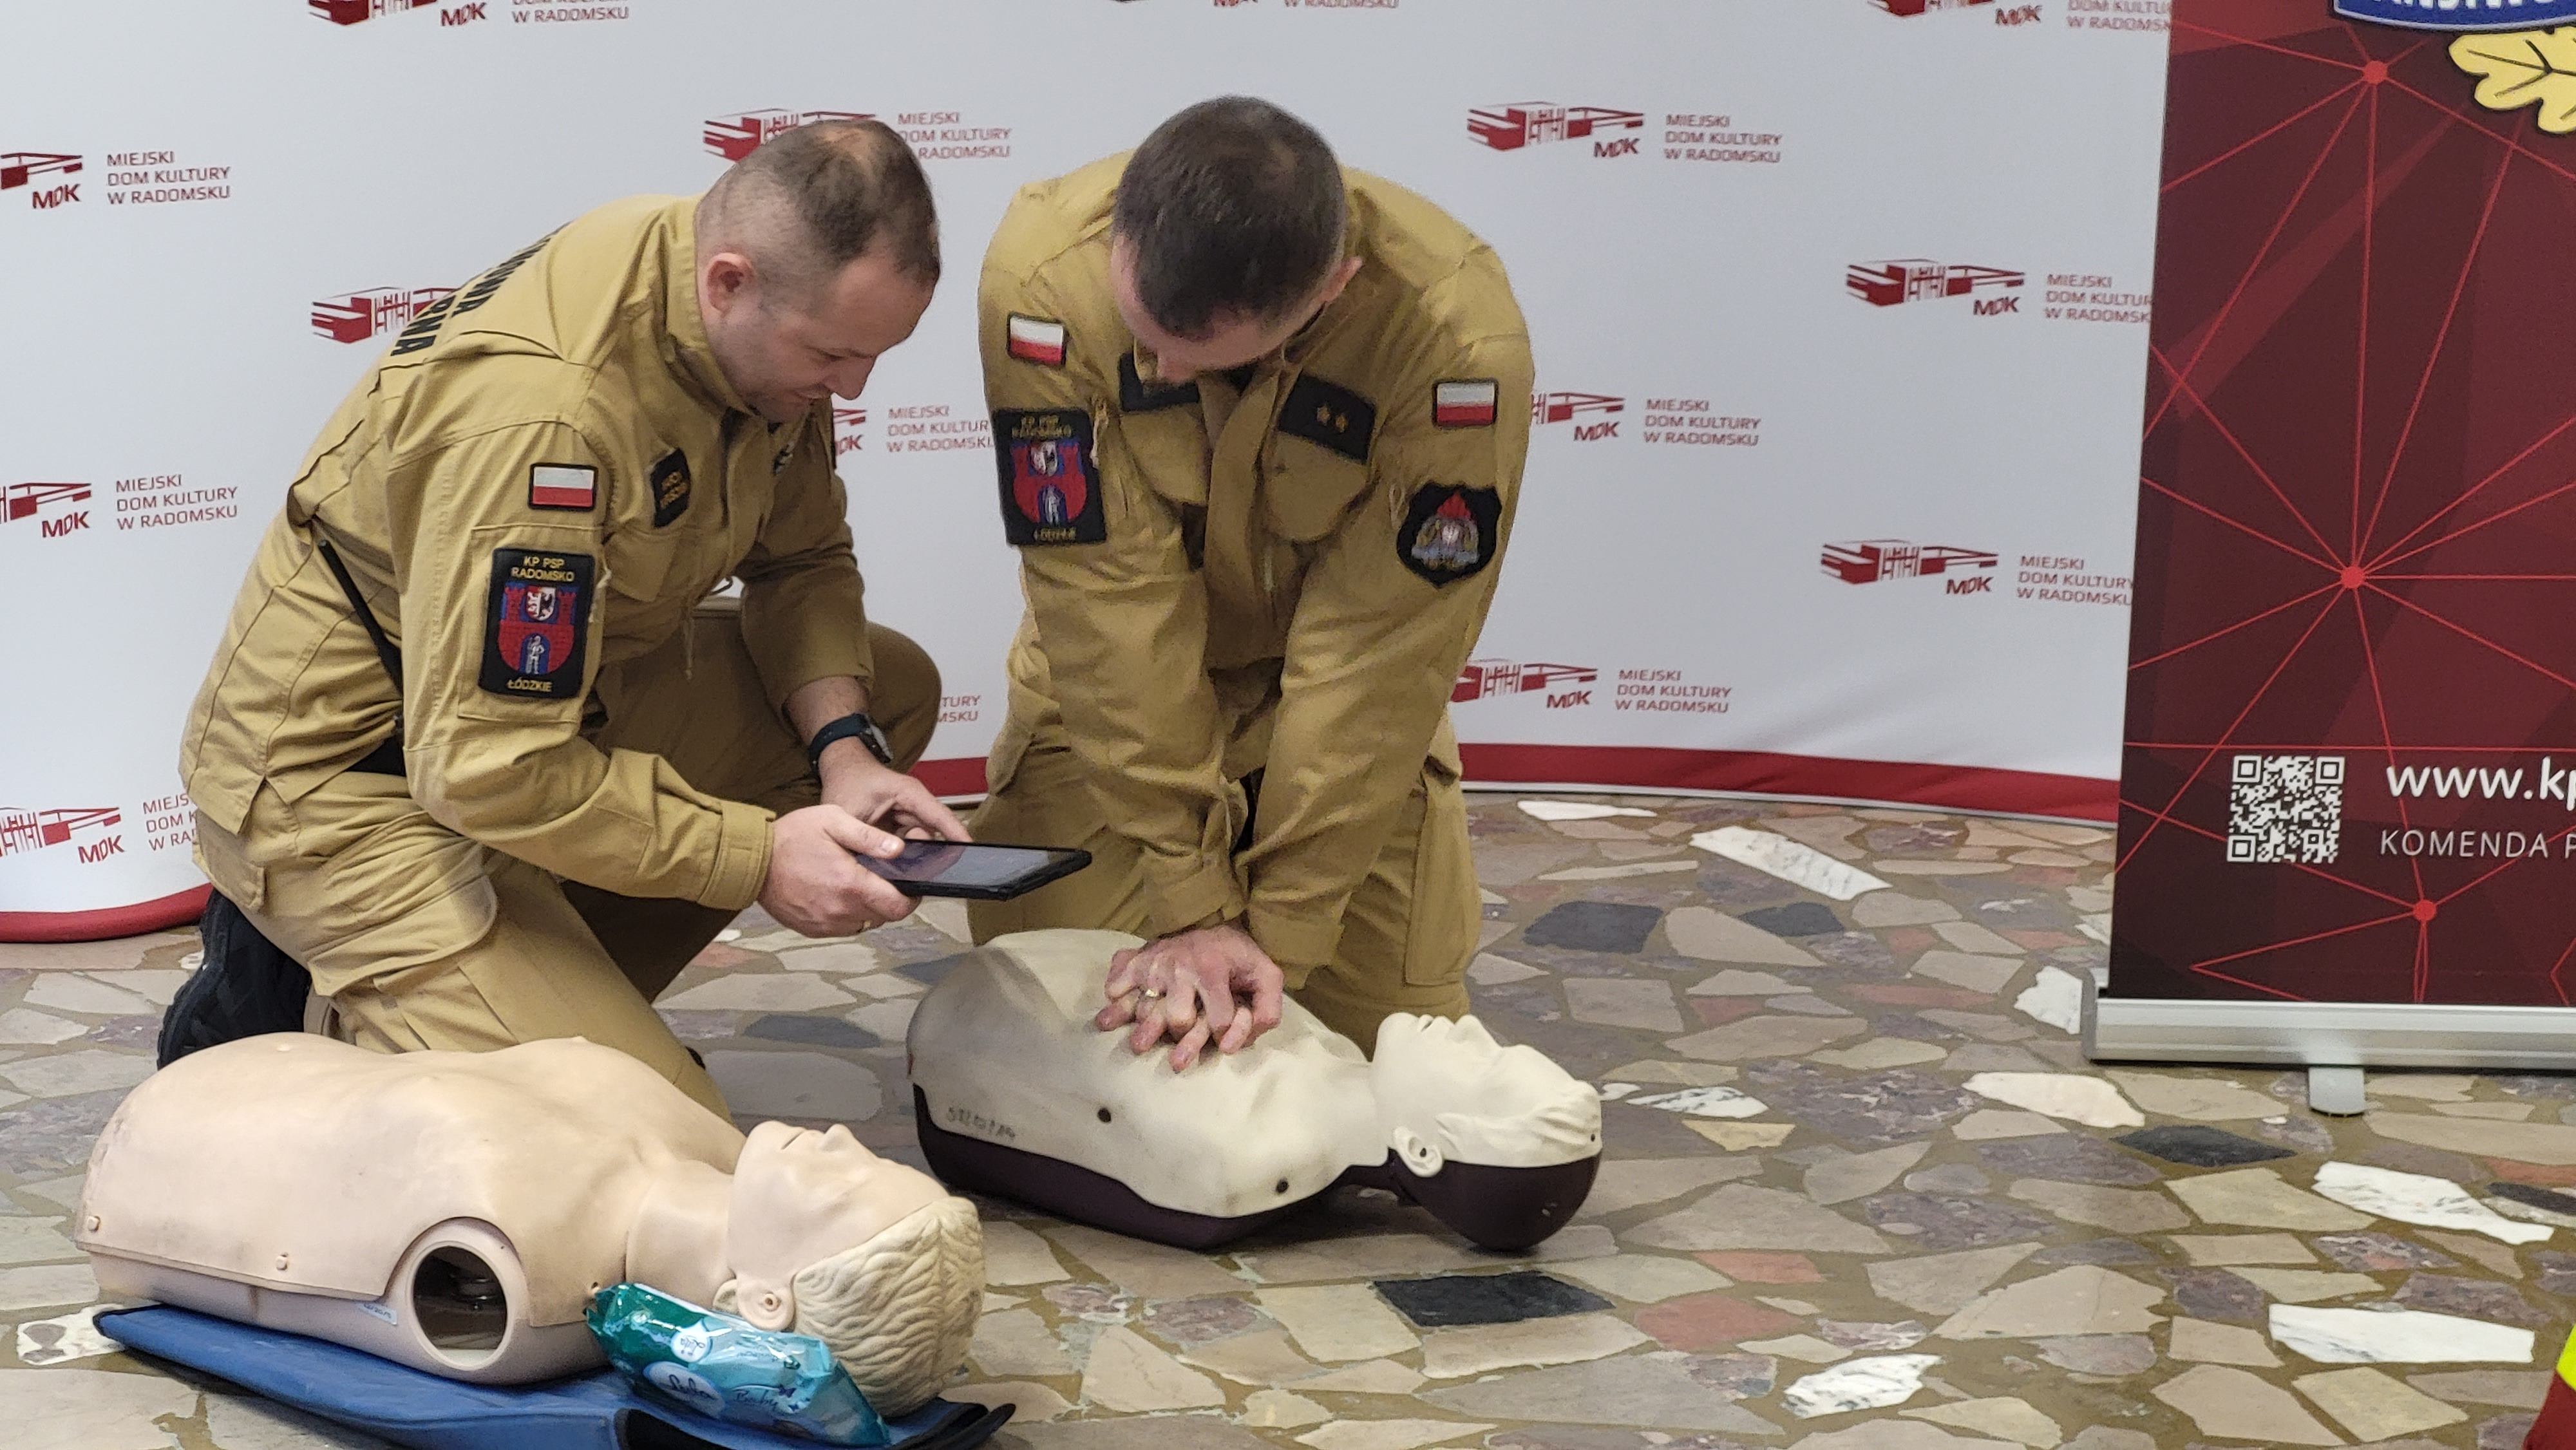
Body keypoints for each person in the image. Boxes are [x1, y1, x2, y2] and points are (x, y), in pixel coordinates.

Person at [173, 120, 967, 1116]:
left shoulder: (735, 302)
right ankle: (311, 1020)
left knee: (888, 687)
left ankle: (550, 1001)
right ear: (728, 282)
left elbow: (801, 559)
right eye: (833, 354)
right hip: (354, 780)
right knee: (660, 1140)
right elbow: (484, 765)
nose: (851, 388)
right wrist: (757, 854)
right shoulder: (546, 415)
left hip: (536, 719)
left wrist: (847, 753)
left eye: (875, 355)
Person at [968, 97, 1536, 1066]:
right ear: (1123, 223)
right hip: (1112, 709)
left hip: (1324, 714)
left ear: (1334, 289)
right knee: (1058, 1033)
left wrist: (1276, 930)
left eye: (1200, 359)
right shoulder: (1044, 279)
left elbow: (1373, 658)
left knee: (1385, 1049)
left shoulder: (1452, 347)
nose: (1156, 368)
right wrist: (1191, 899)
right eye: (1143, 332)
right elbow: (1108, 603)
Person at [77, 1033, 984, 1414]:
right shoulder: (709, 1145)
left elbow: (277, 1281)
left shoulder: (530, 1283)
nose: (840, 1139)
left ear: (764, 1302)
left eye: (842, 1186)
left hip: (171, 1137)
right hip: (271, 1068)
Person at [907, 929, 1602, 1252]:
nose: (1472, 1029)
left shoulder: (1239, 1155)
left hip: (979, 1019)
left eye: (1484, 1066)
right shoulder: (1329, 1058)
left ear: (1421, 1149)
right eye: (1500, 1045)